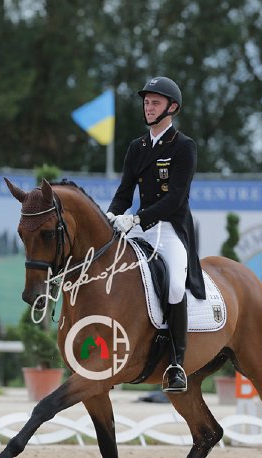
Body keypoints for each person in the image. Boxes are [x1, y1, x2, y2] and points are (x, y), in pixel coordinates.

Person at [106, 76, 205, 393]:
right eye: (146, 102)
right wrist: (111, 215)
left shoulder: (183, 146)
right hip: (140, 228)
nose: (148, 107)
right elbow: (124, 193)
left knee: (175, 285)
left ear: (172, 107)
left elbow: (175, 199)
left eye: (155, 102)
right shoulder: (137, 147)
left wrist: (136, 218)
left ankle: (177, 364)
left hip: (170, 228)